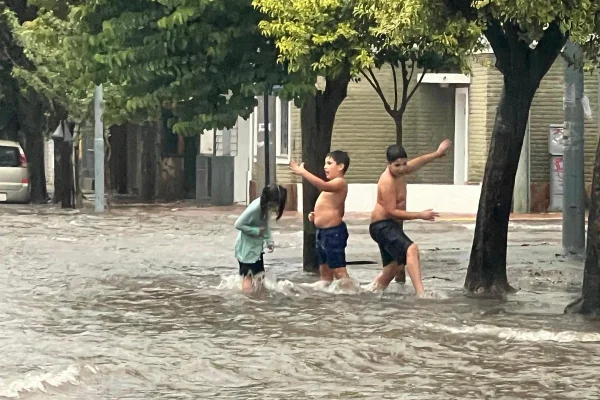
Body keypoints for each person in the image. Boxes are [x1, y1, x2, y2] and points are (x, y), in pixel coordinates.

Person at [369, 140, 452, 295]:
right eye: (397, 165)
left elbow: (418, 162)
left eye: (404, 164)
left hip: (390, 226)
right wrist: (420, 215)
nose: (402, 169)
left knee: (392, 268)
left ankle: (367, 293)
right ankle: (422, 294)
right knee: (412, 249)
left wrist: (437, 154)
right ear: (388, 164)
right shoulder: (387, 181)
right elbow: (391, 212)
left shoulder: (402, 170)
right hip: (382, 226)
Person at [289, 150, 351, 283]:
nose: (325, 167)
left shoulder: (340, 183)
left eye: (329, 163)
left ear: (340, 166)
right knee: (325, 271)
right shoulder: (331, 187)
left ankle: (350, 296)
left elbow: (323, 185)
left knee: (339, 270)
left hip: (333, 233)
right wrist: (317, 216)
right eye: (325, 163)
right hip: (322, 233)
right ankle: (327, 298)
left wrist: (303, 172)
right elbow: (337, 208)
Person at [234, 184, 287, 293]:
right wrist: (256, 231)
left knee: (259, 276)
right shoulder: (255, 208)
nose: (276, 206)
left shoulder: (265, 206)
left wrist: (269, 240)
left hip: (256, 249)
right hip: (246, 249)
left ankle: (259, 305)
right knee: (248, 276)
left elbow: (264, 223)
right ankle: (248, 302)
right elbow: (238, 224)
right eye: (276, 203)